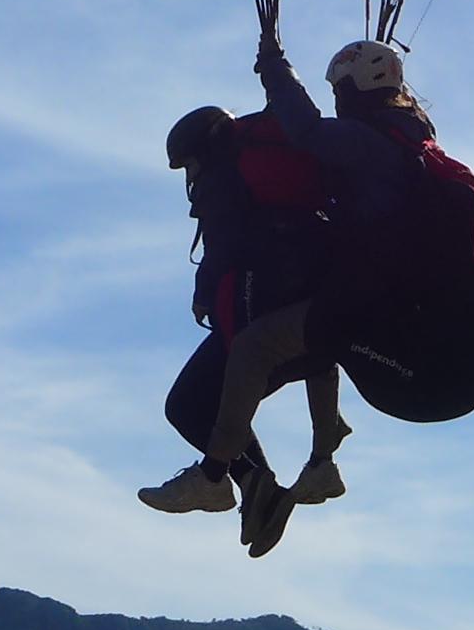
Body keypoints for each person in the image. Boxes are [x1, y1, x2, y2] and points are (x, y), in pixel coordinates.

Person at [142, 25, 474, 557]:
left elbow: (306, 131)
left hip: (436, 363)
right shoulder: (410, 139)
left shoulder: (369, 144)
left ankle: (214, 478)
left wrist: (274, 65)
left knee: (263, 344)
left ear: (350, 92)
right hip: (459, 335)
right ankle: (319, 463)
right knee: (318, 325)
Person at [141, 103, 352, 536]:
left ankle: (232, 483)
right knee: (204, 400)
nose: (189, 178)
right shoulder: (273, 175)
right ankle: (270, 482)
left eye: (189, 165)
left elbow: (223, 250)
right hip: (308, 317)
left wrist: (203, 294)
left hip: (258, 321)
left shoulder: (223, 180)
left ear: (203, 152)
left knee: (186, 405)